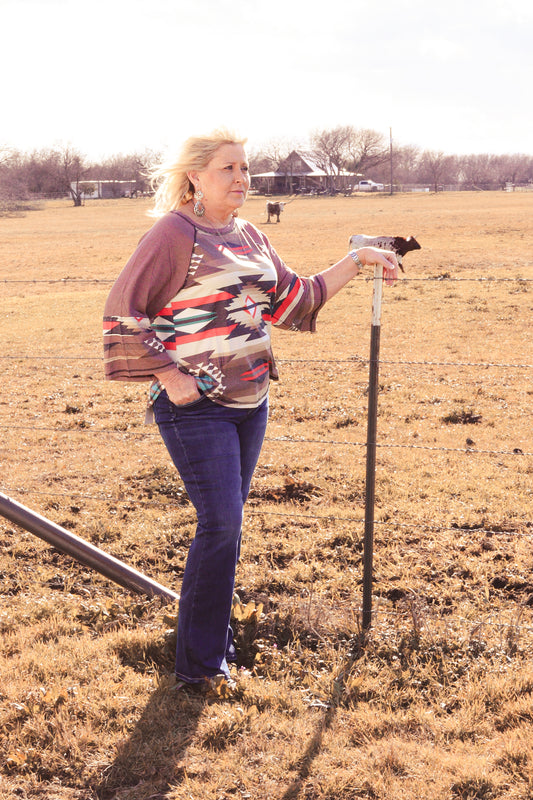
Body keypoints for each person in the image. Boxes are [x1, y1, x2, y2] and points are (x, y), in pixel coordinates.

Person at [103, 129, 399, 692]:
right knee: (221, 524)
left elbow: (294, 300)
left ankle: (212, 645)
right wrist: (167, 373)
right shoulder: (173, 233)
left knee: (227, 530)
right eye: (227, 169)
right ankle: (198, 666)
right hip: (198, 407)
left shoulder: (249, 233)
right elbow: (123, 309)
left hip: (251, 403)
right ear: (195, 177)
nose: (241, 179)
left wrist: (355, 261)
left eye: (245, 169)